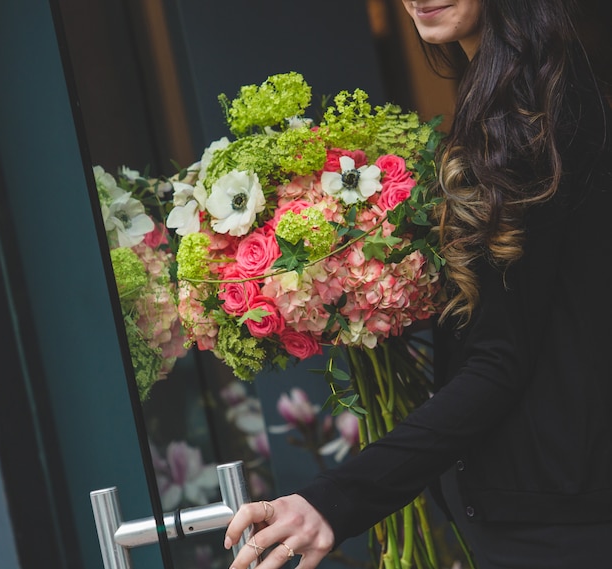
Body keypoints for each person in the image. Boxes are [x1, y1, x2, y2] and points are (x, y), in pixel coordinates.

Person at [223, 1, 612, 567]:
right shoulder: (526, 94)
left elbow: (502, 359)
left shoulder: (529, 117)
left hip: (555, 521)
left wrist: (333, 501)